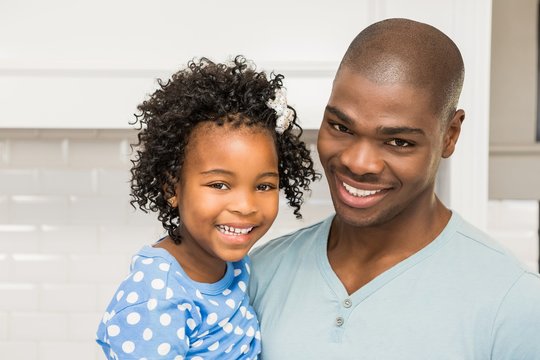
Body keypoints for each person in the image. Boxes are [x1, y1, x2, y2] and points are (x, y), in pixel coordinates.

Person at [249, 18, 540, 359]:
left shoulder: (513, 300)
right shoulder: (261, 272)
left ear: (450, 135)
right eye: (341, 126)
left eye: (398, 141)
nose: (358, 162)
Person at [95, 56, 319, 359]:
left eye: (264, 186)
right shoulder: (157, 294)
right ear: (172, 189)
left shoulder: (234, 268)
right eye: (219, 185)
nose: (245, 206)